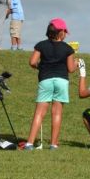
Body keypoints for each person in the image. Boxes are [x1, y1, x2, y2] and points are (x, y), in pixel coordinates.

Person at [24, 18, 76, 150]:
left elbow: (32, 62)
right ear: (61, 32)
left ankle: (29, 143)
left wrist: (40, 67)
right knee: (57, 113)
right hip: (62, 80)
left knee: (39, 113)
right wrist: (76, 63)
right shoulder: (68, 49)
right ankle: (53, 144)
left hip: (45, 79)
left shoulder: (41, 45)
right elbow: (70, 69)